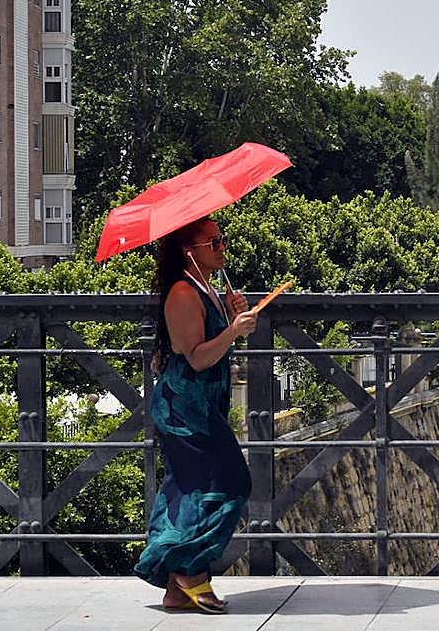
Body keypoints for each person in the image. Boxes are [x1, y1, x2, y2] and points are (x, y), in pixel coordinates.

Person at [133, 216, 257, 613]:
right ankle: (189, 571)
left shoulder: (208, 288)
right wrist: (233, 331)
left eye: (222, 240)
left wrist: (232, 313)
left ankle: (174, 589)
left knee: (189, 490)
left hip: (201, 405)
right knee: (230, 482)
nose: (222, 247)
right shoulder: (183, 294)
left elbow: (215, 344)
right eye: (214, 242)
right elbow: (199, 358)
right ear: (190, 251)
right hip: (184, 407)